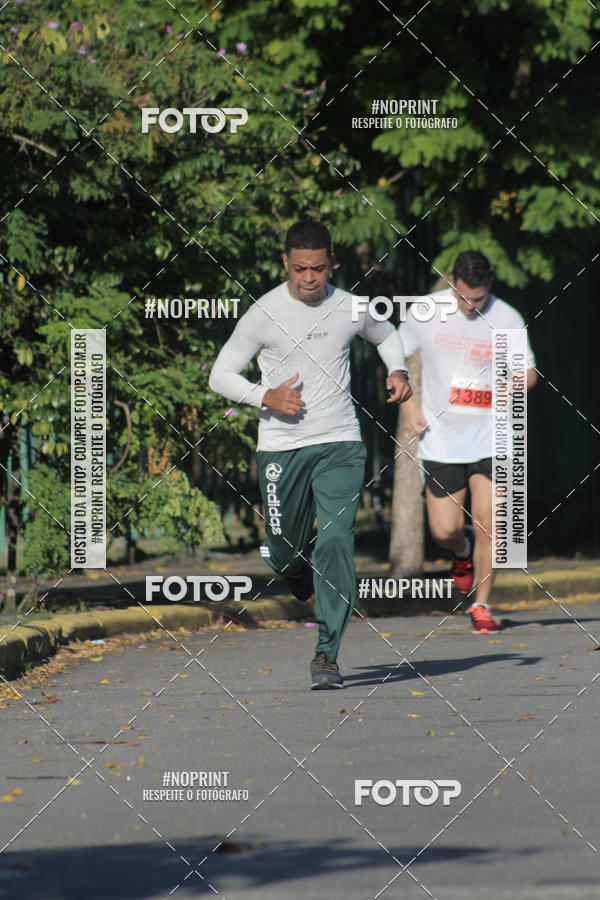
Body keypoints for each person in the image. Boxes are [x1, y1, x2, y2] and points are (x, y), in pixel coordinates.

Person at [209, 219, 412, 688]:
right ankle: (293, 569)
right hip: (281, 449)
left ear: (331, 263)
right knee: (282, 552)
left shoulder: (351, 306)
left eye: (318, 269)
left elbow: (386, 334)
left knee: (338, 539)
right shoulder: (264, 313)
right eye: (299, 269)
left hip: (340, 443)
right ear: (285, 263)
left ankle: (327, 654)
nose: (308, 279)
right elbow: (221, 374)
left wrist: (398, 371)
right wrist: (266, 397)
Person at [400, 250, 536, 633]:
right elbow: (395, 357)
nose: (470, 306)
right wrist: (409, 410)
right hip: (442, 441)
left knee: (492, 523)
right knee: (444, 529)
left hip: (493, 438)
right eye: (462, 298)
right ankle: (462, 550)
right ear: (451, 282)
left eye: (477, 299)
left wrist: (510, 384)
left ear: (489, 286)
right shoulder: (427, 312)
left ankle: (481, 605)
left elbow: (528, 373)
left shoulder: (507, 317)